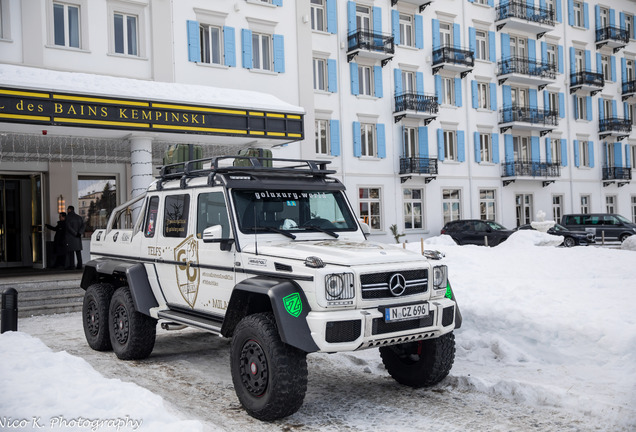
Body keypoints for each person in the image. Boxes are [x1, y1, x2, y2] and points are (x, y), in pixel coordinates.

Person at [65, 205, 85, 270]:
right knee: (78, 252)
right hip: (78, 237)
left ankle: (72, 265)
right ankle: (79, 265)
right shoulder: (79, 217)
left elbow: (68, 227)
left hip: (71, 237)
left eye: (67, 209)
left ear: (69, 210)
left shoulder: (68, 217)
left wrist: (75, 233)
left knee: (71, 252)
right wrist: (79, 233)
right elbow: (83, 226)